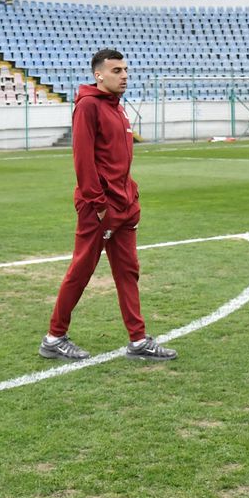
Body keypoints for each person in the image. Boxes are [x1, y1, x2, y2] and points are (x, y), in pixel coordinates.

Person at [39, 49, 177, 361]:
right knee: (82, 269)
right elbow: (83, 160)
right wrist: (100, 204)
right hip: (99, 208)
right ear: (98, 75)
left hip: (124, 205)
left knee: (128, 271)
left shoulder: (118, 107)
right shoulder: (88, 106)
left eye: (125, 70)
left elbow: (119, 161)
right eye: (116, 71)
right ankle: (54, 337)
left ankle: (138, 341)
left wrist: (131, 195)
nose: (124, 75)